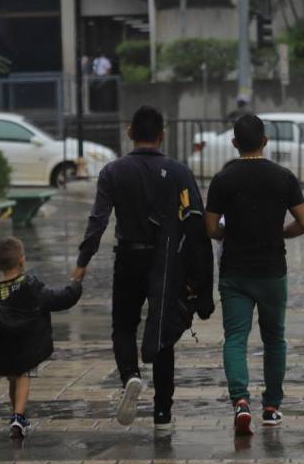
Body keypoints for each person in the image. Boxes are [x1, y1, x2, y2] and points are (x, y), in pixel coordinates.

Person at [72, 106, 214, 430]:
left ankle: (131, 377)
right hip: (167, 263)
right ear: (162, 135)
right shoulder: (178, 171)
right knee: (163, 330)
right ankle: (162, 411)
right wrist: (201, 279)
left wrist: (82, 262)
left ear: (129, 132)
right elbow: (195, 225)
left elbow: (98, 220)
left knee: (123, 325)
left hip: (128, 257)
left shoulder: (112, 172)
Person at [205, 115, 304, 436]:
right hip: (272, 272)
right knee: (274, 339)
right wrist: (280, 234)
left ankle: (240, 402)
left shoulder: (223, 179)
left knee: (235, 339)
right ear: (265, 141)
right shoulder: (284, 177)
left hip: (235, 272)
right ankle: (272, 408)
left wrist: (230, 231)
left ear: (235, 143)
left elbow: (211, 228)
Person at [0, 237, 82, 439]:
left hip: (4, 350)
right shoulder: (29, 285)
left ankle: (16, 412)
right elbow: (58, 299)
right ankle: (18, 416)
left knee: (13, 379)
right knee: (24, 375)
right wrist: (75, 285)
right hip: (26, 345)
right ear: (22, 260)